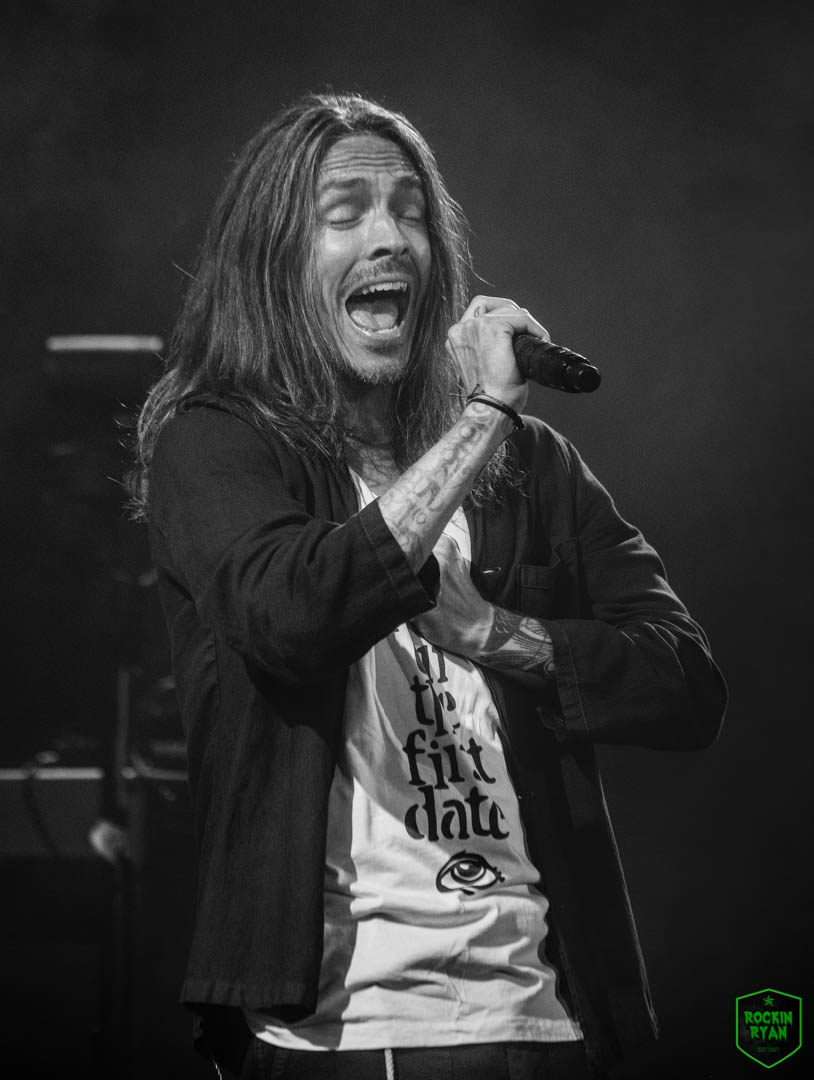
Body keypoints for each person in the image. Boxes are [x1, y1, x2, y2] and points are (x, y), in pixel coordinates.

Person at [132, 92, 727, 1080]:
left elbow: (686, 686)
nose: (390, 239)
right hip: (345, 1027)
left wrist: (497, 632)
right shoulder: (215, 443)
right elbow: (293, 615)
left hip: (546, 1016)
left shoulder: (530, 467)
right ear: (273, 262)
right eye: (346, 214)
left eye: (409, 212)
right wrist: (484, 412)